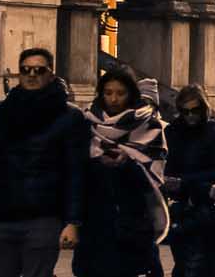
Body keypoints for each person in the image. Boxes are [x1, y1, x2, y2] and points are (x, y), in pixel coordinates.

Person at [0, 47, 88, 277]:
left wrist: (73, 221)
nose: (32, 75)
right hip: (2, 214)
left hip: (44, 217)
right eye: (25, 70)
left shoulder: (70, 117)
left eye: (39, 70)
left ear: (51, 74)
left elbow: (76, 173)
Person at [74, 67, 167, 277]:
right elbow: (78, 171)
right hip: (95, 224)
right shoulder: (87, 123)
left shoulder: (149, 125)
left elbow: (154, 178)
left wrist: (128, 164)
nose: (114, 99)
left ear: (131, 94)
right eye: (108, 93)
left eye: (120, 93)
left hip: (133, 223)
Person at [163, 86, 215, 277]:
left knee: (203, 262)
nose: (190, 115)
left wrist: (184, 181)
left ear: (203, 109)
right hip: (181, 205)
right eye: (185, 111)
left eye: (195, 110)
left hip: (207, 205)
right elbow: (168, 164)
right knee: (183, 263)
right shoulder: (173, 132)